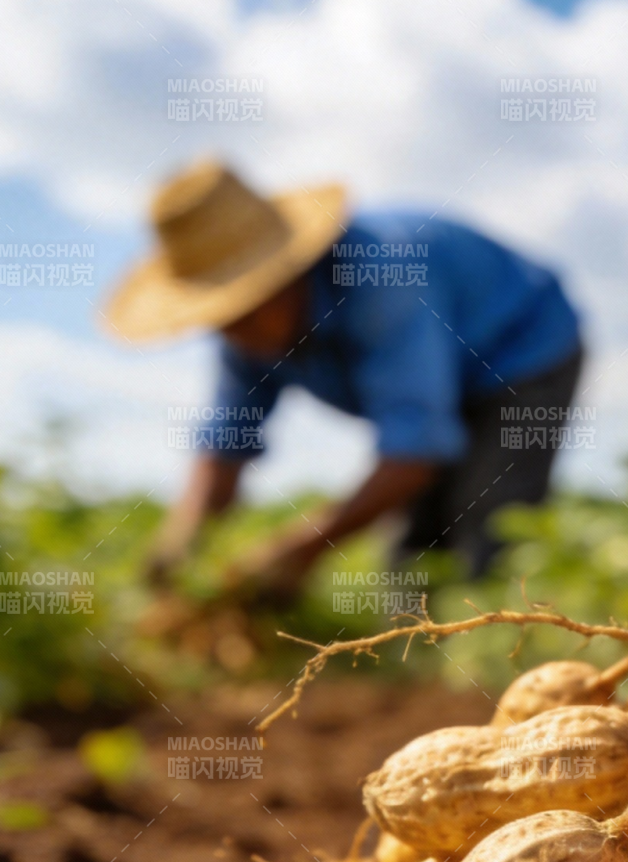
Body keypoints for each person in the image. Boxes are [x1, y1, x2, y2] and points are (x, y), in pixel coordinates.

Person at [103, 158, 583, 601]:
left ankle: (497, 660)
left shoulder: (382, 281)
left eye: (242, 311)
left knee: (490, 524)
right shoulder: (245, 335)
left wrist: (295, 550)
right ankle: (415, 662)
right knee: (414, 552)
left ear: (285, 275)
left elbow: (415, 453)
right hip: (447, 371)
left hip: (524, 350)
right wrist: (181, 546)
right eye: (219, 317)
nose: (232, 331)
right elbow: (224, 448)